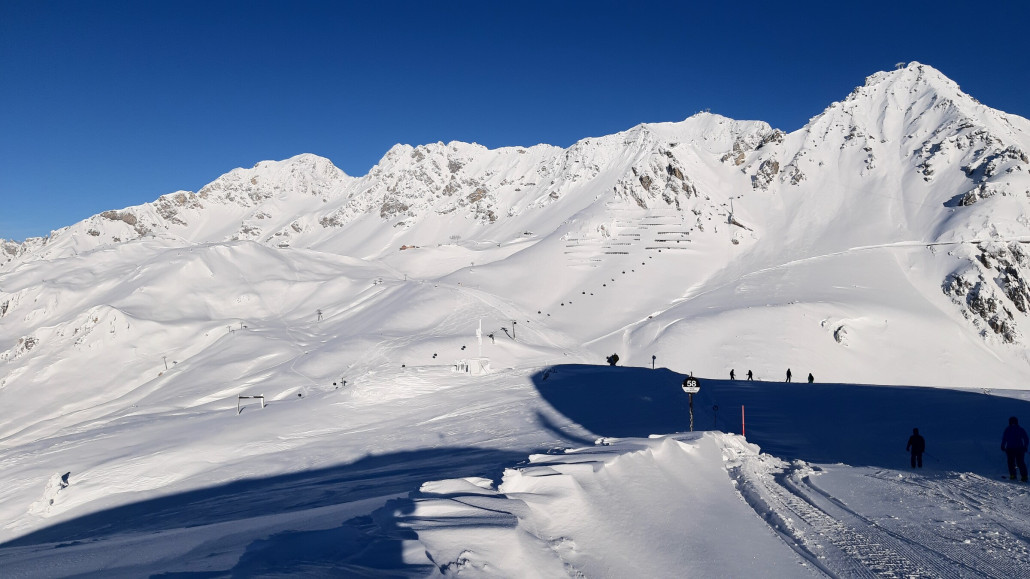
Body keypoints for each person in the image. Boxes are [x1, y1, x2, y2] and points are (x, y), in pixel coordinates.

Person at [1001, 416, 1029, 481]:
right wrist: (1025, 446)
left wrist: (1003, 446)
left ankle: (1015, 475)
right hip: (1017, 449)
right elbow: (1026, 439)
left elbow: (1004, 439)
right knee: (1018, 462)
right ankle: (1022, 476)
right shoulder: (1019, 429)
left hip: (1013, 449)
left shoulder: (1008, 429)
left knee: (1013, 462)